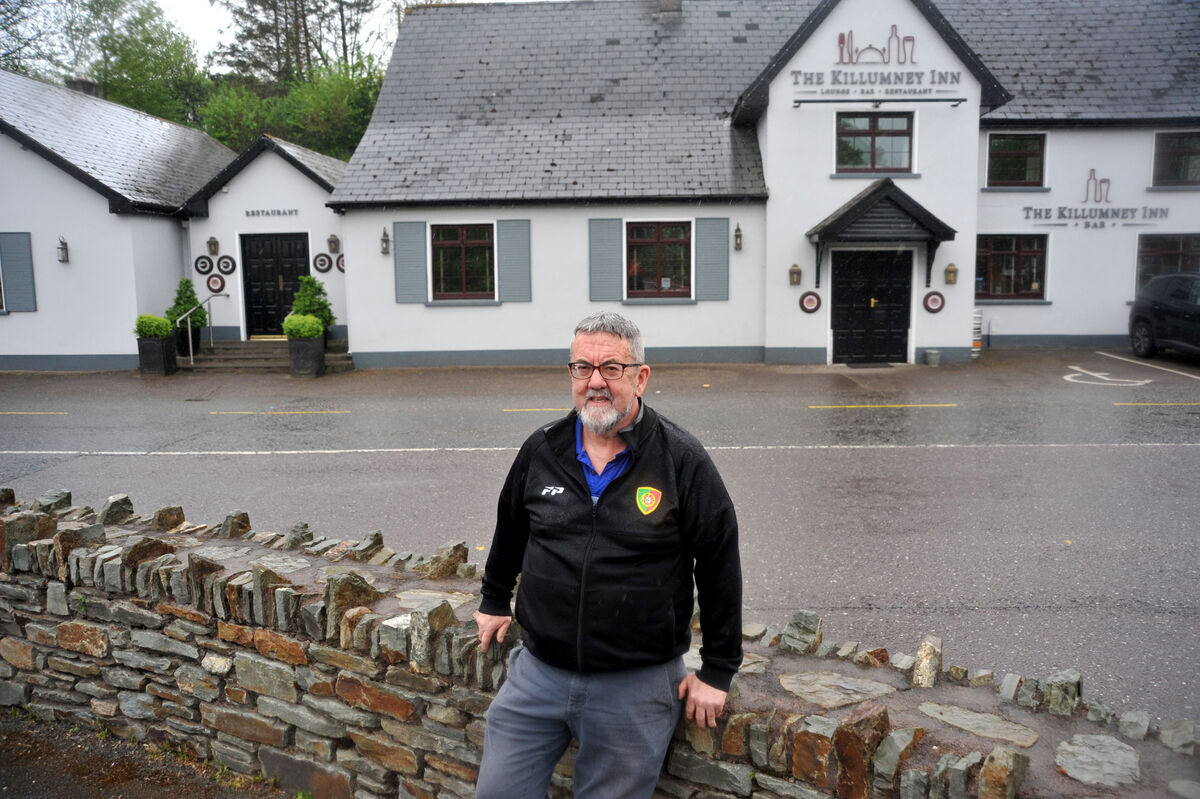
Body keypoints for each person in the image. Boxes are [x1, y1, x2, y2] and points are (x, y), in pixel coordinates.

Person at [474, 312, 742, 799]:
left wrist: (718, 669)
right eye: (583, 368)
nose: (595, 382)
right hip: (538, 674)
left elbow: (720, 561)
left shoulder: (682, 459)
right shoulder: (542, 449)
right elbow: (511, 525)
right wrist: (494, 599)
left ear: (640, 377)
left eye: (611, 368)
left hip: (635, 687)